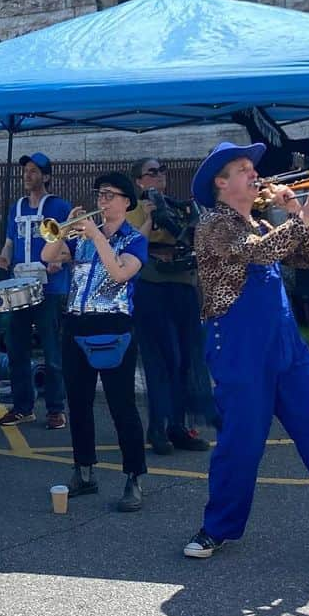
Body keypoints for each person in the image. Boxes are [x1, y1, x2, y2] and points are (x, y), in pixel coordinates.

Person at [183, 142, 309, 575]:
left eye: (251, 168)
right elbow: (257, 253)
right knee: (240, 444)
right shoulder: (213, 226)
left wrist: (296, 209)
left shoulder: (262, 222)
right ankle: (217, 527)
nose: (254, 174)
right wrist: (305, 214)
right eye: (243, 169)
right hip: (238, 349)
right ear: (221, 184)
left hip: (285, 347)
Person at [42, 171, 148, 511]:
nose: (101, 201)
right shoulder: (84, 236)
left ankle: (133, 477)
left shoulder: (134, 240)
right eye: (99, 194)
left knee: (122, 406)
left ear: (126, 202)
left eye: (109, 195)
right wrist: (66, 228)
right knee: (80, 403)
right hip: (76, 325)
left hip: (115, 326)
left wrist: (96, 235)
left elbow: (120, 272)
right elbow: (48, 256)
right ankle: (84, 471)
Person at [128, 158, 211, 455]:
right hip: (152, 289)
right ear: (139, 181)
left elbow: (196, 237)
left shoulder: (180, 206)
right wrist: (150, 218)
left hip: (183, 286)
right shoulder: (134, 211)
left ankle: (179, 426)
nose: (159, 176)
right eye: (151, 172)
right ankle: (157, 428)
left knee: (185, 359)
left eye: (162, 171)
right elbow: (132, 246)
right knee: (160, 360)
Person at [0, 152, 72, 429]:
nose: (28, 175)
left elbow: (71, 248)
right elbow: (9, 242)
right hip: (20, 287)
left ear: (46, 176)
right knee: (16, 349)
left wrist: (57, 260)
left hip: (50, 289)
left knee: (52, 352)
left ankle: (55, 408)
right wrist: (3, 256)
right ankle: (23, 407)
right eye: (26, 171)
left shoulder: (60, 207)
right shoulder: (15, 207)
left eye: (34, 171)